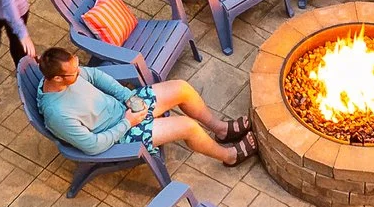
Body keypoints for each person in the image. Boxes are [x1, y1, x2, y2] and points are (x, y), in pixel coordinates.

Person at [35, 44, 256, 165]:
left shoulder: (67, 74)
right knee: (188, 126)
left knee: (181, 88)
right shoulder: (58, 115)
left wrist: (128, 98)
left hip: (127, 109)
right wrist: (127, 122)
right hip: (119, 134)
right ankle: (229, 156)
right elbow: (93, 145)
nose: (79, 72)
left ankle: (220, 129)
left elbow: (96, 77)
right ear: (56, 79)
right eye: (73, 73)